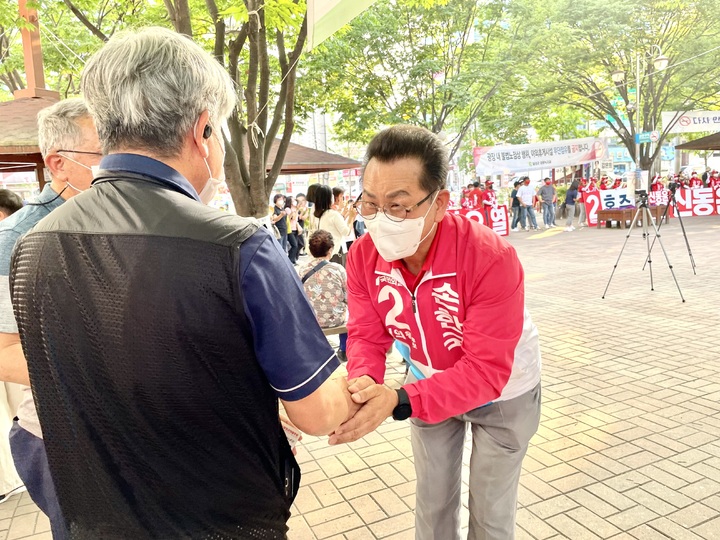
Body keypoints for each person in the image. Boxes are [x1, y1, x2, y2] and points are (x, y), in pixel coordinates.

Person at [8, 28, 357, 538]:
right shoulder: (240, 246)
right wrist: (365, 389)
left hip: (91, 517)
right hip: (219, 520)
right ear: (203, 130)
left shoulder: (33, 246)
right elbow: (319, 412)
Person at [329, 125, 541, 540]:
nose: (381, 219)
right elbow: (367, 335)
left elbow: (485, 372)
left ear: (440, 202)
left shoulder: (489, 257)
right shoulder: (364, 257)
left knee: (491, 511)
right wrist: (365, 383)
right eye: (370, 204)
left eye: (399, 206)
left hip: (504, 390)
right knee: (433, 504)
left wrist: (400, 399)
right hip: (426, 379)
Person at [0, 98, 102, 536]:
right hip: (62, 438)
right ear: (59, 164)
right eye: (106, 153)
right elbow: (3, 353)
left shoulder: (114, 221)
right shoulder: (15, 240)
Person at [299, 230, 348, 362]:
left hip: (312, 319)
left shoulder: (303, 269)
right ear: (330, 249)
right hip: (336, 318)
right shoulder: (338, 269)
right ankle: (344, 349)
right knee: (348, 315)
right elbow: (348, 296)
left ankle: (315, 349)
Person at [314, 184, 355, 266]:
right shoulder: (333, 214)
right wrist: (351, 218)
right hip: (336, 251)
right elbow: (346, 232)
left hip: (327, 252)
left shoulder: (319, 214)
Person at [285, 195, 301, 265]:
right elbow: (290, 218)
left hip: (295, 229)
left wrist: (296, 209)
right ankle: (290, 260)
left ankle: (293, 260)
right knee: (294, 245)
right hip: (290, 229)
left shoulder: (295, 209)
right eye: (293, 200)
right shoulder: (287, 209)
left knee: (296, 245)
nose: (294, 201)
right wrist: (293, 211)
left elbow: (296, 219)